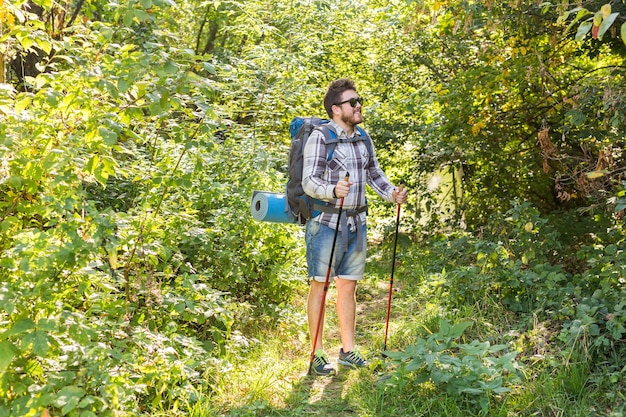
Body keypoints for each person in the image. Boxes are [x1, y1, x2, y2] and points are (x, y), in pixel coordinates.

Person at [302, 78, 408, 376]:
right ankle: (317, 352)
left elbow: (374, 173)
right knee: (320, 287)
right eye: (352, 102)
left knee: (348, 286)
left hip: (356, 222)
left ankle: (348, 350)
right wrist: (332, 190)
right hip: (325, 222)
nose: (358, 105)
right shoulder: (321, 138)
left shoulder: (362, 136)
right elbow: (308, 181)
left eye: (358, 100)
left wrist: (392, 194)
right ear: (336, 109)